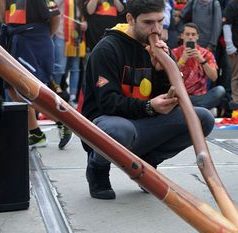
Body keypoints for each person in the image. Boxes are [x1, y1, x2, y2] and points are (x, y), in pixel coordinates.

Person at [81, 0, 215, 200]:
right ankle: (97, 168)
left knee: (202, 118)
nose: (157, 29)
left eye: (160, 21)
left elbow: (165, 96)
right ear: (130, 19)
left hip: (143, 122)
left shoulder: (158, 47)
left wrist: (162, 73)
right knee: (120, 130)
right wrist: (149, 107)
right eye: (148, 23)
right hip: (108, 125)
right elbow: (108, 103)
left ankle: (147, 163)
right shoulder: (107, 49)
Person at [0, 0, 67, 148]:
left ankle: (63, 121)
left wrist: (43, 36)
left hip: (35, 40)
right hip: (15, 37)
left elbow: (56, 17)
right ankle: (36, 133)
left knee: (29, 89)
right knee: (12, 88)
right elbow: (4, 18)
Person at [172, 22, 225, 112]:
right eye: (187, 34)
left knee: (220, 90)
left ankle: (190, 110)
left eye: (193, 34)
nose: (190, 37)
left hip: (200, 96)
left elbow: (214, 77)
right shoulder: (174, 52)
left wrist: (201, 60)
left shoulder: (206, 53)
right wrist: (182, 60)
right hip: (181, 95)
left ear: (197, 36)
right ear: (182, 36)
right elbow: (170, 76)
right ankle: (200, 109)